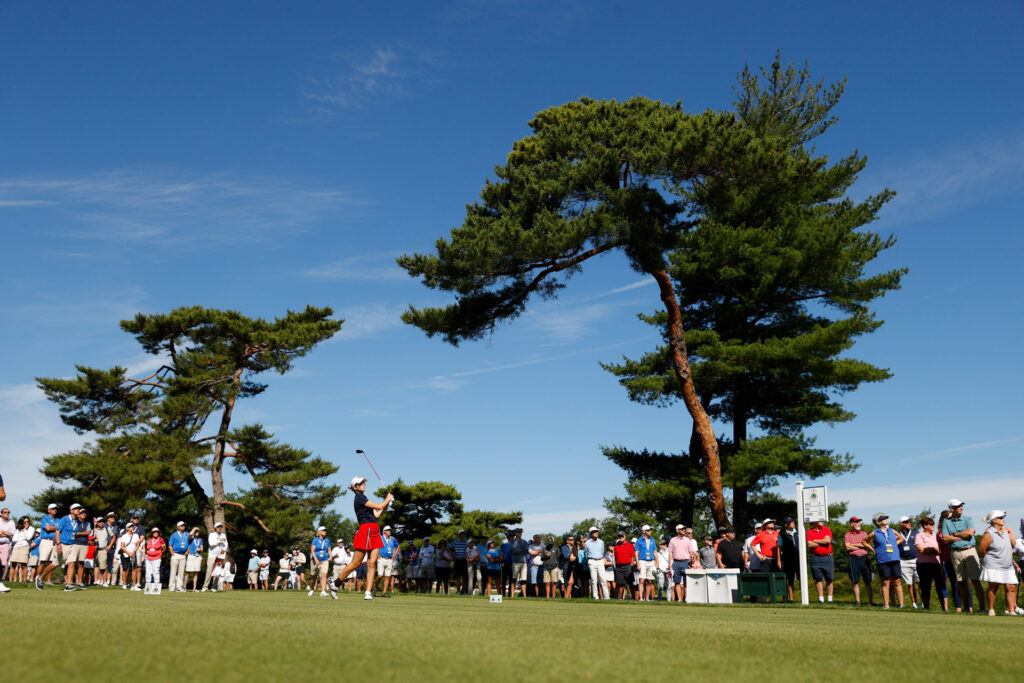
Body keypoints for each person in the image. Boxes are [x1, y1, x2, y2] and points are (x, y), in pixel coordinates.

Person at [330, 476, 393, 601]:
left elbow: (377, 514)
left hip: (374, 530)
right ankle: (335, 583)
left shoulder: (364, 498)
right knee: (356, 563)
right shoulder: (359, 498)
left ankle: (368, 592)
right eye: (361, 483)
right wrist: (387, 499)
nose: (364, 484)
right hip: (365, 530)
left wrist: (388, 505)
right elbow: (379, 506)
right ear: (355, 487)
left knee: (371, 563)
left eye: (364, 482)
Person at [940, 498, 986, 613]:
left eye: (961, 505)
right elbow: (945, 537)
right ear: (952, 509)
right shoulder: (946, 521)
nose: (961, 507)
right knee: (961, 582)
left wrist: (954, 534)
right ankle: (966, 609)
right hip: (955, 552)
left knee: (975, 580)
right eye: (958, 506)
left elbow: (970, 533)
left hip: (969, 550)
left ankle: (982, 609)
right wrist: (962, 535)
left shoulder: (968, 519)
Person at [978, 509, 1018, 616]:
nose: (1003, 519)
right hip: (993, 564)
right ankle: (991, 609)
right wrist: (990, 559)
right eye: (1000, 518)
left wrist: (1008, 532)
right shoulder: (989, 533)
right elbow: (982, 549)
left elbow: (1014, 544)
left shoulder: (1006, 532)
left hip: (1008, 565)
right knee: (993, 587)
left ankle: (1011, 611)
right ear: (994, 520)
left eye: (1003, 518)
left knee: (1012, 587)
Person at [871, 513, 904, 609]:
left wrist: (894, 544)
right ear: (878, 522)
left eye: (886, 518)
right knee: (886, 582)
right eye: (883, 518)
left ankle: (901, 605)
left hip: (894, 558)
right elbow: (865, 541)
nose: (885, 519)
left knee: (897, 581)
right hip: (883, 559)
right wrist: (873, 549)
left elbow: (901, 538)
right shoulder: (875, 532)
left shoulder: (892, 531)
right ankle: (886, 605)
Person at [914, 517, 948, 611]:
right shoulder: (919, 535)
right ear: (925, 526)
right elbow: (921, 550)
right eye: (931, 524)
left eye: (933, 524)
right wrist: (935, 550)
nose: (933, 526)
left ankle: (944, 608)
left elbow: (941, 550)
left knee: (941, 586)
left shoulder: (935, 536)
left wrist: (930, 550)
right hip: (923, 564)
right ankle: (926, 608)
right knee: (925, 586)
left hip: (937, 564)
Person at [844, 516, 874, 606]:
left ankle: (870, 602)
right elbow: (847, 547)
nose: (858, 524)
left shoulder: (864, 534)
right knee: (855, 581)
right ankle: (858, 601)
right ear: (851, 524)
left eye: (859, 522)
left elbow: (866, 545)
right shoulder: (848, 535)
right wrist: (860, 545)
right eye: (856, 522)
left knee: (867, 580)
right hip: (853, 559)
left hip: (864, 558)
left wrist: (854, 545)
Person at [805, 520, 834, 603]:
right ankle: (821, 599)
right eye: (820, 520)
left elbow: (827, 541)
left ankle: (830, 599)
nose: (822, 521)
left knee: (829, 579)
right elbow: (810, 545)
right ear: (814, 522)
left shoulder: (826, 529)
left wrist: (815, 540)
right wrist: (822, 542)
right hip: (815, 558)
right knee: (818, 579)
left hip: (827, 557)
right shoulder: (809, 531)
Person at [896, 515, 920, 608]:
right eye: (906, 522)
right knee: (910, 584)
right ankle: (914, 604)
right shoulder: (897, 534)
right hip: (903, 561)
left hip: (916, 560)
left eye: (909, 521)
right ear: (901, 524)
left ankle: (923, 603)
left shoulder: (916, 532)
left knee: (920, 583)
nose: (909, 523)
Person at [35, 503, 60, 589]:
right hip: (46, 541)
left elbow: (58, 529)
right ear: (49, 510)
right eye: (53, 508)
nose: (55, 510)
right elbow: (48, 529)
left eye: (56, 508)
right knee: (43, 561)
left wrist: (53, 527)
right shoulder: (45, 519)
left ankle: (48, 580)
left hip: (55, 542)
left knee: (52, 562)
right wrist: (56, 528)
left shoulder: (58, 520)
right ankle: (37, 578)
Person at [668, 524, 693, 602]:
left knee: (686, 583)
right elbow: (670, 553)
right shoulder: (672, 540)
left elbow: (691, 552)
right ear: (677, 530)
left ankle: (686, 599)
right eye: (681, 529)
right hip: (676, 562)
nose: (683, 530)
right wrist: (669, 563)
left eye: (684, 529)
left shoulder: (687, 540)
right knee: (677, 582)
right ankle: (679, 599)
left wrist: (691, 561)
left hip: (686, 562)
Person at [778, 517, 800, 601]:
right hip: (788, 559)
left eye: (793, 521)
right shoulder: (782, 534)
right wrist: (779, 561)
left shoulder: (798, 532)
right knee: (790, 579)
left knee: (801, 578)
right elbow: (779, 548)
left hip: (798, 558)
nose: (793, 523)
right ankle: (791, 599)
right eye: (790, 522)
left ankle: (805, 598)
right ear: (786, 525)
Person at [203, 522, 228, 592]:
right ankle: (205, 587)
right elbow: (211, 543)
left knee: (217, 571)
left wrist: (224, 549)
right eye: (218, 527)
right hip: (212, 554)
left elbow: (226, 544)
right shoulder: (212, 535)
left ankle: (214, 587)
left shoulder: (223, 535)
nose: (219, 528)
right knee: (209, 570)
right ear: (215, 528)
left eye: (220, 527)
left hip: (220, 555)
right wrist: (220, 540)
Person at [584, 526, 608, 600]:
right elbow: (586, 554)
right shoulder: (587, 543)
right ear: (591, 533)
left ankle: (607, 597)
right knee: (594, 580)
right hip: (591, 561)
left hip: (600, 560)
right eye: (595, 532)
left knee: (603, 579)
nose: (597, 533)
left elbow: (602, 552)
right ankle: (595, 596)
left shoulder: (601, 542)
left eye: (597, 531)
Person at [635, 525, 658, 601]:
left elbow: (655, 551)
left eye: (650, 530)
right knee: (642, 580)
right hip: (642, 561)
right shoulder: (639, 540)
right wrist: (638, 563)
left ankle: (647, 598)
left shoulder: (652, 540)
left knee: (649, 581)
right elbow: (636, 553)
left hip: (651, 562)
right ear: (644, 531)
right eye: (648, 530)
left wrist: (657, 561)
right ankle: (641, 598)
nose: (650, 531)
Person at [308, 526, 333, 596]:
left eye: (325, 530)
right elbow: (312, 551)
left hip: (325, 559)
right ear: (319, 532)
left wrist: (330, 556)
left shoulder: (327, 540)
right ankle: (312, 589)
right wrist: (316, 559)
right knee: (314, 576)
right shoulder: (315, 540)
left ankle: (323, 591)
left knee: (324, 575)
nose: (325, 531)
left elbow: (329, 550)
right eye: (323, 530)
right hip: (315, 560)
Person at [376, 525, 399, 597]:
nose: (389, 531)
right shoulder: (380, 538)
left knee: (387, 577)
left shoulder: (392, 539)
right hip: (381, 559)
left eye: (390, 530)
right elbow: (375, 546)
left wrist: (395, 554)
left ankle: (384, 592)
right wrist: (377, 555)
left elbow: (398, 546)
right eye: (388, 530)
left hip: (389, 559)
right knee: (380, 576)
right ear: (384, 531)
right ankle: (375, 587)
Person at [166, 521, 189, 592]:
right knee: (173, 571)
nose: (183, 527)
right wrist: (172, 553)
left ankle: (179, 586)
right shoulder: (174, 535)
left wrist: (187, 552)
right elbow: (170, 545)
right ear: (178, 527)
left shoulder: (186, 534)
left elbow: (189, 543)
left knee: (181, 572)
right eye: (181, 526)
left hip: (183, 555)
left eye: (184, 525)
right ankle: (171, 586)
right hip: (175, 554)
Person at [612, 531, 635, 600]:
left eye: (622, 536)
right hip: (619, 567)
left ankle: (634, 597)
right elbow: (614, 557)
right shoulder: (616, 546)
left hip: (628, 565)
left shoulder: (629, 545)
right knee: (621, 584)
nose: (621, 537)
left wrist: (631, 565)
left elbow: (632, 556)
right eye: (620, 536)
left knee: (630, 583)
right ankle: (620, 598)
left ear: (625, 536)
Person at [9, 515, 33, 583]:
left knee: (24, 565)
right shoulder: (18, 530)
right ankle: (10, 581)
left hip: (24, 547)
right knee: (13, 564)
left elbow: (28, 537)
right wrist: (22, 536)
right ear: (21, 522)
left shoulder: (31, 529)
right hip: (16, 547)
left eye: (27, 522)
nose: (26, 523)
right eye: (24, 522)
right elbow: (14, 539)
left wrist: (25, 530)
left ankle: (24, 581)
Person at [119, 522, 140, 590]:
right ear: (127, 528)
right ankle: (124, 584)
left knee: (134, 570)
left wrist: (133, 552)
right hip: (125, 554)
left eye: (133, 526)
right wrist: (128, 553)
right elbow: (122, 547)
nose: (132, 527)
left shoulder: (136, 535)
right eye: (130, 526)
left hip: (133, 554)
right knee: (125, 569)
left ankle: (133, 585)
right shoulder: (124, 536)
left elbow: (137, 545)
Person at [508, 529, 528, 598]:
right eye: (518, 532)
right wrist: (520, 550)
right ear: (515, 533)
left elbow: (526, 550)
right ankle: (512, 595)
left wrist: (517, 550)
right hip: (515, 562)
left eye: (520, 532)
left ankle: (525, 596)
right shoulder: (512, 541)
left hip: (523, 562)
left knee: (523, 580)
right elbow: (513, 550)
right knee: (514, 579)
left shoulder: (524, 541)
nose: (519, 533)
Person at [185, 527, 204, 591]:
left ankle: (194, 588)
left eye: (198, 532)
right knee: (188, 572)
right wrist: (194, 528)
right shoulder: (191, 538)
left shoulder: (200, 539)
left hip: (198, 556)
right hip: (191, 555)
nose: (197, 533)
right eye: (196, 532)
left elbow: (202, 548)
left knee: (196, 573)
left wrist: (200, 549)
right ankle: (184, 587)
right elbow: (189, 535)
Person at [450, 529, 468, 595]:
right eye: (461, 534)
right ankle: (458, 591)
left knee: (464, 577)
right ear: (459, 535)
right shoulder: (455, 542)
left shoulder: (467, 542)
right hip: (457, 560)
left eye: (463, 534)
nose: (462, 535)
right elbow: (448, 548)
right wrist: (452, 553)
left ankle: (463, 591)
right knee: (458, 577)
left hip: (464, 561)